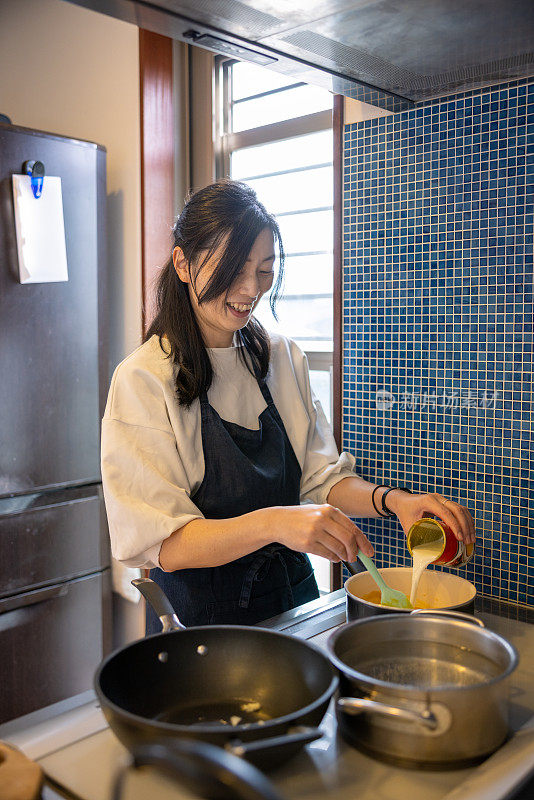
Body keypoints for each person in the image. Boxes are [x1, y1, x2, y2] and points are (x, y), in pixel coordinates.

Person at [101, 180, 475, 633]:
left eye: (264, 269)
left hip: (297, 613)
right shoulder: (144, 379)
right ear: (183, 263)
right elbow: (166, 543)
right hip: (207, 632)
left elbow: (320, 479)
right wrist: (277, 522)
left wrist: (395, 502)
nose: (249, 288)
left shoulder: (280, 358)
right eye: (230, 269)